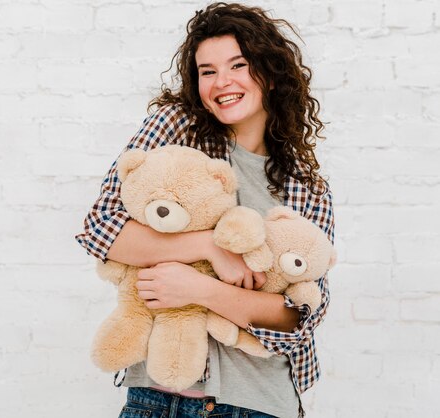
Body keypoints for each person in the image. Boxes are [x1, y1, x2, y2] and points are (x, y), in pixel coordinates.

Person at [76, 3, 334, 418]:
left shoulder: (305, 187)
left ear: (268, 71)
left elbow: (299, 318)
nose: (222, 82)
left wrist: (201, 290)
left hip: (256, 404)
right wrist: (210, 248)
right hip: (156, 400)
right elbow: (102, 228)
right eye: (207, 71)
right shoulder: (175, 127)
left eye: (238, 64)